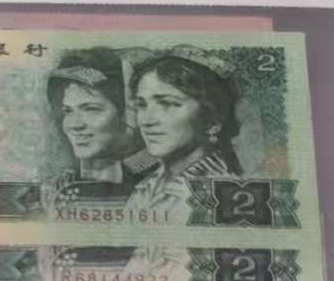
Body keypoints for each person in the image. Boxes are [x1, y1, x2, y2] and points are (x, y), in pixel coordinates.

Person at [126, 48, 242, 219]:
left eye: (168, 104)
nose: (146, 121)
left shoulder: (222, 193)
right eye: (141, 105)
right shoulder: (147, 185)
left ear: (213, 120)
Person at [45, 48, 152, 199]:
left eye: (91, 109)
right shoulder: (59, 188)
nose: (75, 125)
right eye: (67, 111)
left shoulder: (165, 181)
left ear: (129, 114)